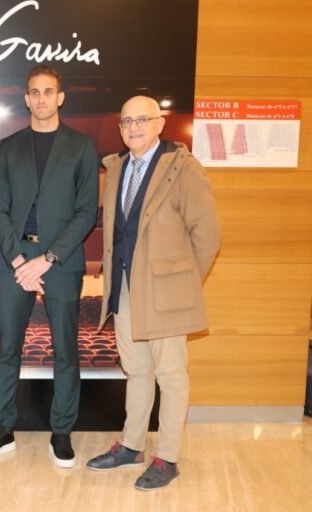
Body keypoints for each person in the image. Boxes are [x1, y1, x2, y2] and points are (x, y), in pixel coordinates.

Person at [87, 96, 220, 490]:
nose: (133, 127)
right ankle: (131, 446)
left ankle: (169, 456)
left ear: (160, 124)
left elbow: (208, 236)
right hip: (125, 289)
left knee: (171, 375)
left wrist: (182, 283)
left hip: (166, 293)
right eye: (126, 121)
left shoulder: (182, 168)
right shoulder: (116, 168)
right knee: (138, 370)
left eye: (142, 120)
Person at [0, 65, 99, 466]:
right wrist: (16, 259)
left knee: (66, 351)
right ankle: (3, 428)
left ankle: (61, 431)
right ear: (26, 99)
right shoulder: (9, 146)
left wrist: (46, 259)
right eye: (34, 92)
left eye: (49, 91)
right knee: (7, 348)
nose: (42, 98)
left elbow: (85, 213)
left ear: (60, 97)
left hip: (60, 262)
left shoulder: (81, 146)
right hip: (15, 260)